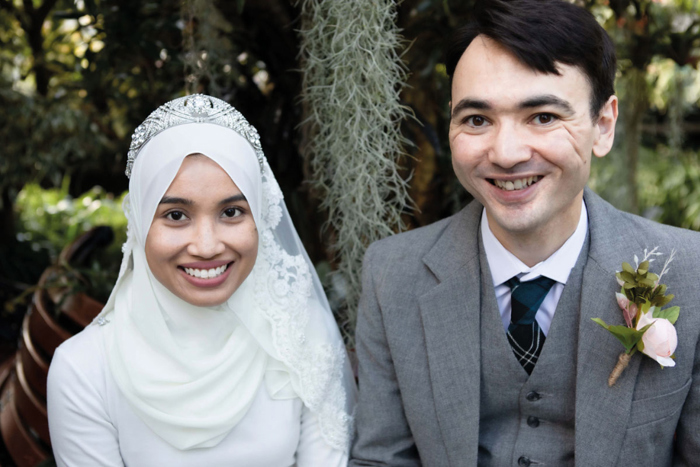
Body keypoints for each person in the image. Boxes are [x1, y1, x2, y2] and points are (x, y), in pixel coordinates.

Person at [350, 0, 700, 466]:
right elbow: (381, 459)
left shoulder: (690, 271)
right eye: (477, 120)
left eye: (543, 117)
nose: (507, 153)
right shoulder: (392, 272)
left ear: (603, 125)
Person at [47, 94, 355, 466]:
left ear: (259, 216)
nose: (207, 246)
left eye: (231, 212)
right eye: (176, 215)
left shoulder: (303, 335)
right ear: (141, 222)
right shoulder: (84, 369)